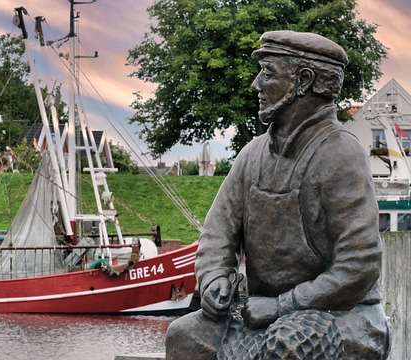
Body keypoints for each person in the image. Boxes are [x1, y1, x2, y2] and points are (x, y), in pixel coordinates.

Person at [166, 31, 390, 360]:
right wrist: (214, 277)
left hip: (343, 316)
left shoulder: (342, 154)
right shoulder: (252, 154)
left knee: (289, 346)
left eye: (268, 73)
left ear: (303, 80)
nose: (256, 85)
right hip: (259, 311)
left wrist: (282, 305)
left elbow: (359, 265)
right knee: (185, 335)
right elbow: (218, 233)